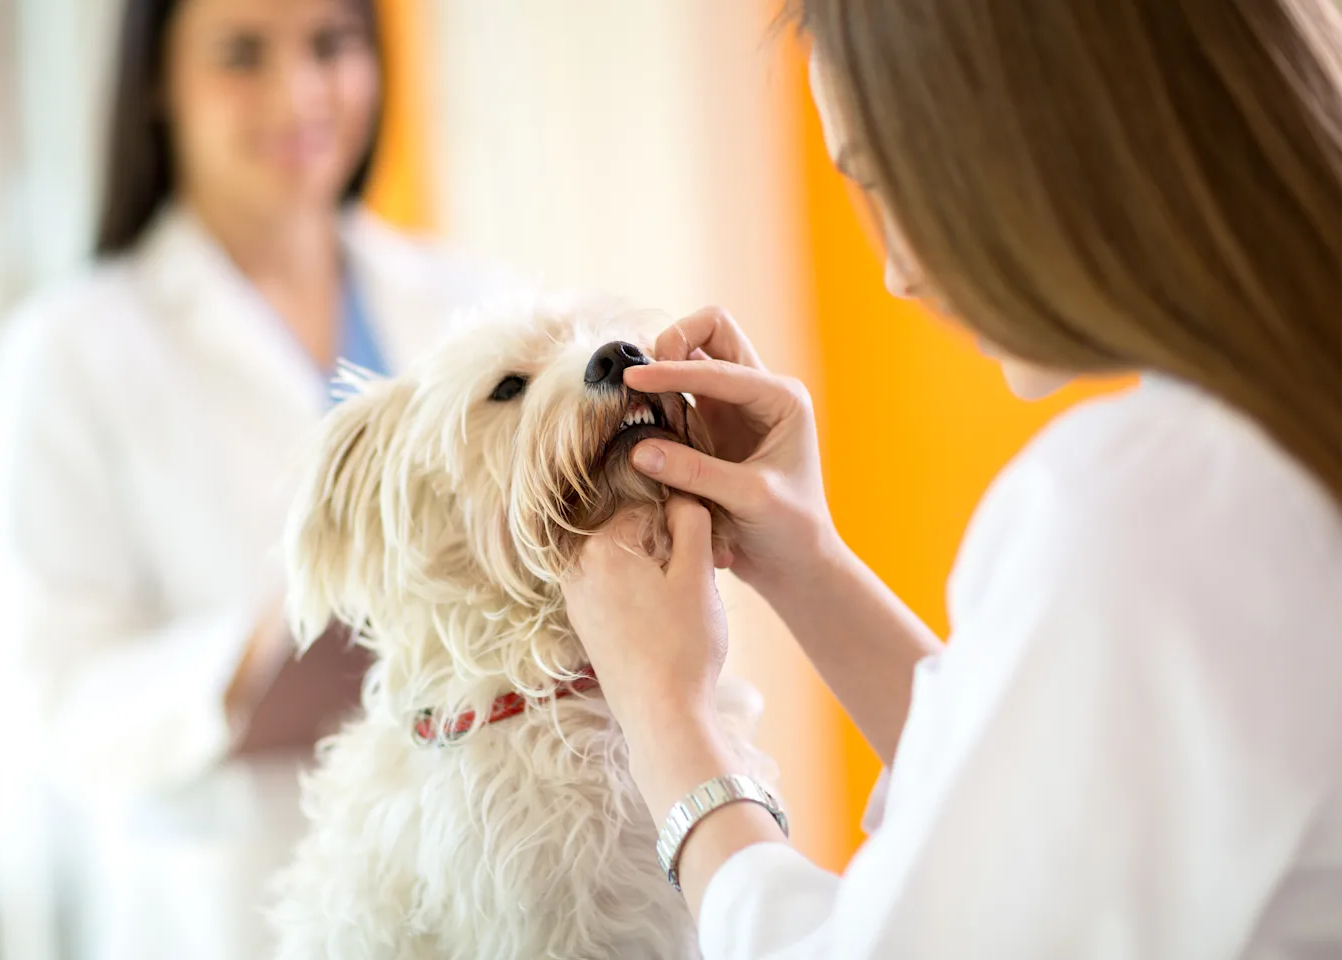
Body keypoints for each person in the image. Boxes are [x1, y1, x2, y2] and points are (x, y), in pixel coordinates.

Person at [562, 1, 1342, 956]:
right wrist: (807, 562)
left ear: (1037, 133)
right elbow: (1059, 801)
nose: (894, 269)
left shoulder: (1148, 503)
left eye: (892, 183)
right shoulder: (1255, 453)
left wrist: (667, 717)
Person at [0, 0, 509, 955]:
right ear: (158, 85)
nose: (300, 93)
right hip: (235, 905)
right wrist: (246, 666)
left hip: (482, 879)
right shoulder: (69, 350)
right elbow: (58, 700)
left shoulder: (467, 303)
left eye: (330, 46)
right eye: (241, 55)